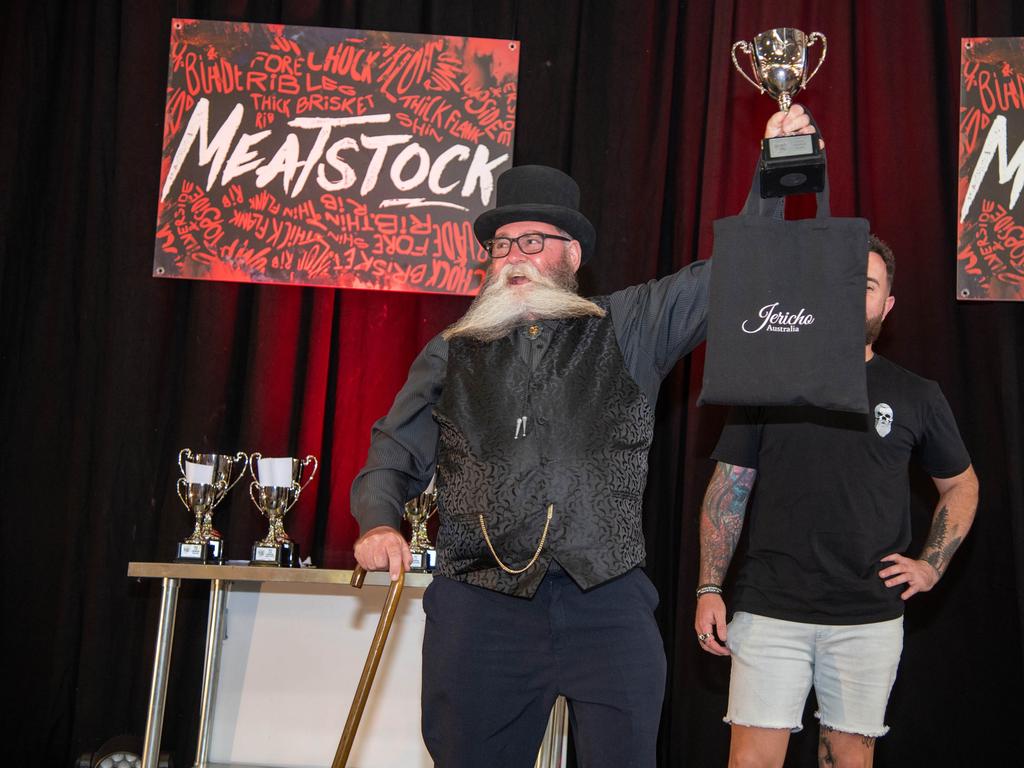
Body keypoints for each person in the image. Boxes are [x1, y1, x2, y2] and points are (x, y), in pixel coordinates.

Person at [351, 108, 814, 767]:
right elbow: (391, 453)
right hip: (480, 608)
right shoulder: (449, 353)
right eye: (501, 245)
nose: (513, 257)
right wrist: (378, 523)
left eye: (532, 242)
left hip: (607, 600)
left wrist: (775, 168)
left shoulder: (632, 324)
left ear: (571, 253)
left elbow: (731, 274)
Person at [694, 235, 979, 768]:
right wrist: (710, 586)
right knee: (751, 762)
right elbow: (728, 488)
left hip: (868, 615)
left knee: (848, 760)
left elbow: (962, 483)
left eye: (868, 286)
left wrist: (931, 566)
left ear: (887, 305)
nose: (854, 298)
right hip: (770, 608)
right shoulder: (769, 382)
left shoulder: (917, 394)